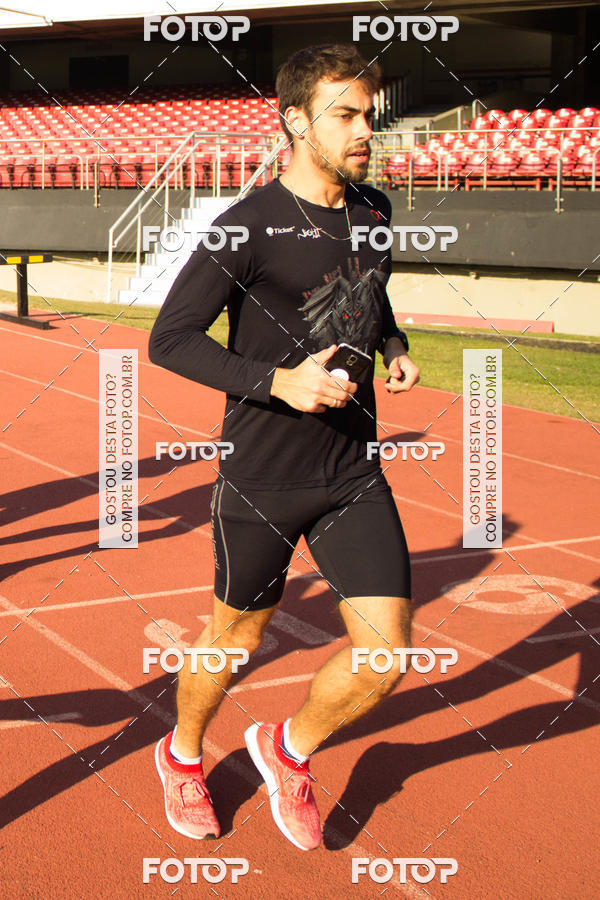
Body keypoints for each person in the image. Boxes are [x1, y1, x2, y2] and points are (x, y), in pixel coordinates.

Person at [148, 43, 420, 851]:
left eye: (369, 114)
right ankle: (183, 755)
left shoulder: (375, 210)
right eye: (345, 115)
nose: (365, 130)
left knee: (386, 656)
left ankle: (286, 749)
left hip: (352, 471)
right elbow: (170, 339)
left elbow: (372, 295)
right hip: (263, 477)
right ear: (297, 121)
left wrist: (395, 345)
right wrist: (279, 382)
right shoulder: (247, 225)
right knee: (233, 641)